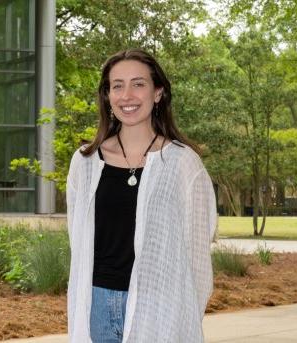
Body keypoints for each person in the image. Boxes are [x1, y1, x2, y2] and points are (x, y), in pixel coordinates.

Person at [66, 49, 217, 343]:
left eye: (138, 84)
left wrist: (187, 313)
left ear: (158, 92)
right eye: (117, 86)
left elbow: (198, 251)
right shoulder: (85, 162)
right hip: (97, 302)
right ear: (107, 96)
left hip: (160, 303)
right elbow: (78, 240)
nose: (127, 95)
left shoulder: (183, 164)